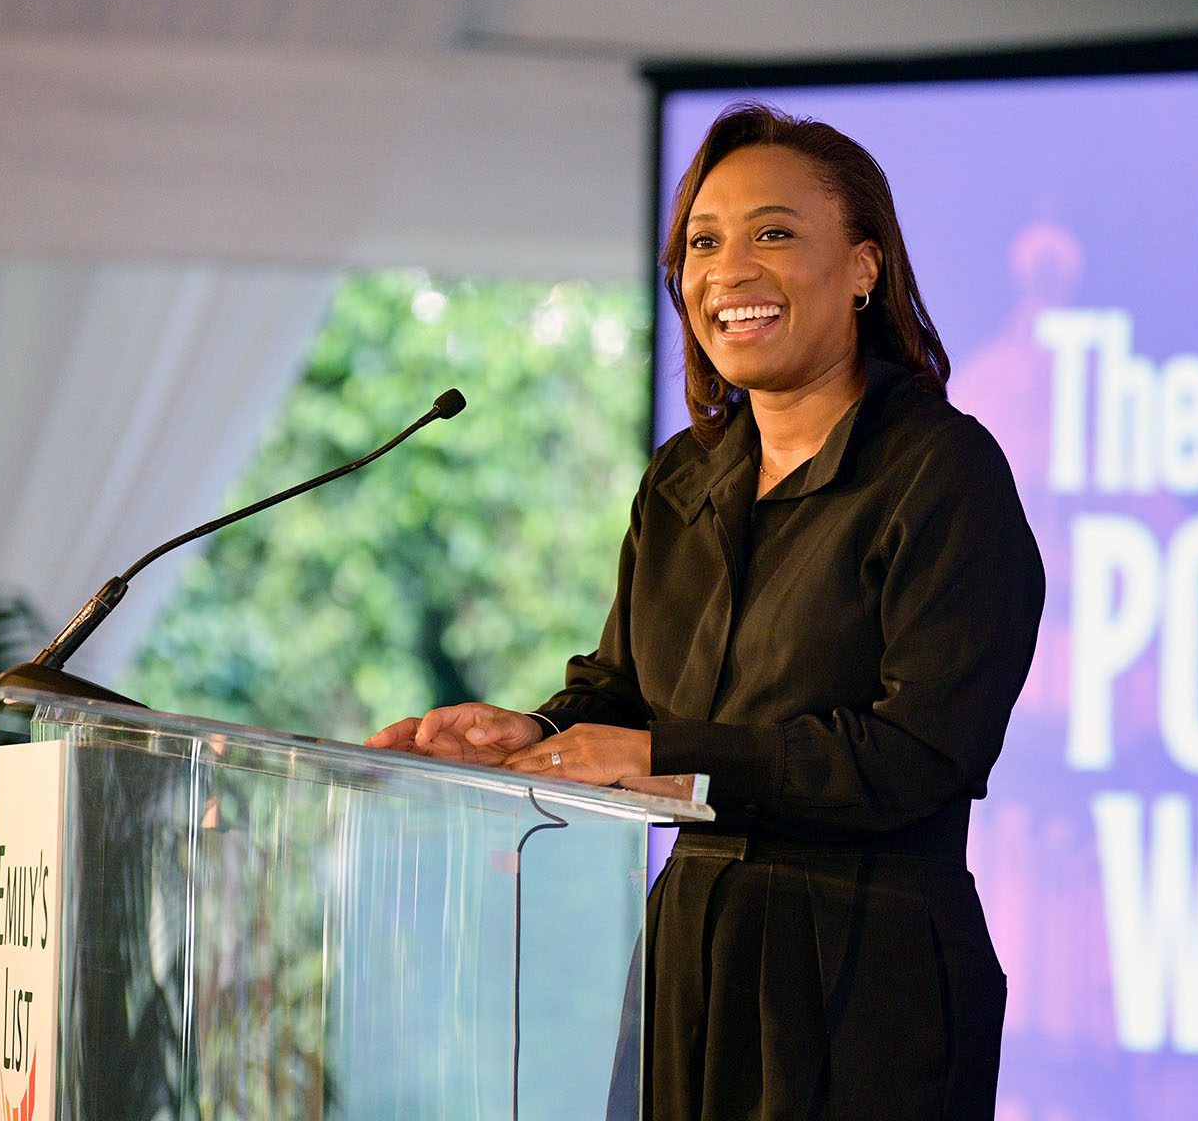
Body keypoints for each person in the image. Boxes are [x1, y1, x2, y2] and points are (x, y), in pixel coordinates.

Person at [367, 102, 1044, 1120]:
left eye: (773, 233)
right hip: (691, 958)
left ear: (864, 269)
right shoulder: (686, 479)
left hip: (866, 972)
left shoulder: (939, 472)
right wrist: (536, 733)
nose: (727, 270)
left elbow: (918, 756)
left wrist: (663, 757)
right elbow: (622, 688)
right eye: (702, 242)